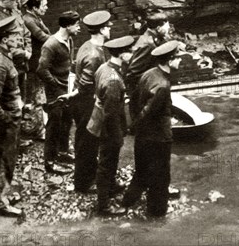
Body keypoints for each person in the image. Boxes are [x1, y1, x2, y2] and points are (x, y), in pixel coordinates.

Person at [122, 41, 181, 218]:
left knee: (141, 171)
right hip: (158, 138)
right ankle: (156, 215)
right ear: (170, 61)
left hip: (143, 136)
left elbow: (133, 101)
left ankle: (127, 201)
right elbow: (149, 111)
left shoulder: (149, 74)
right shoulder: (163, 85)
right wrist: (134, 127)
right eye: (178, 57)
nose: (180, 61)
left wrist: (134, 127)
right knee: (161, 177)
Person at [88, 35, 135, 216]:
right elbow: (111, 113)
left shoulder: (103, 67)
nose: (131, 54)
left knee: (108, 161)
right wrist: (116, 135)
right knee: (107, 163)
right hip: (109, 127)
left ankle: (110, 186)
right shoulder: (114, 79)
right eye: (129, 52)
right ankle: (104, 205)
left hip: (101, 120)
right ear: (122, 55)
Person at [71, 11, 111, 193]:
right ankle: (83, 183)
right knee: (87, 142)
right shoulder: (94, 55)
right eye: (108, 26)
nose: (110, 28)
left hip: (82, 102)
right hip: (88, 104)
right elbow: (86, 85)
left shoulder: (87, 46)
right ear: (102, 30)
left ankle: (87, 176)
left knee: (85, 141)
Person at [37, 11, 81, 174]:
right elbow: (41, 69)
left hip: (67, 87)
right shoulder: (50, 45)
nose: (79, 28)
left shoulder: (69, 39)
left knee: (66, 120)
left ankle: (62, 152)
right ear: (68, 25)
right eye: (76, 25)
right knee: (54, 125)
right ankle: (49, 162)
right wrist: (55, 84)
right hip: (55, 91)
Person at [0, 16, 23, 217]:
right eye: (15, 36)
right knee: (3, 160)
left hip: (10, 117)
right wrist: (6, 118)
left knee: (7, 159)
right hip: (4, 122)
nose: (20, 39)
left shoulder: (4, 56)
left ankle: (3, 195)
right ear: (4, 39)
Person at [125, 12, 170, 122]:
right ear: (158, 28)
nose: (169, 28)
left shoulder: (152, 38)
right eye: (167, 25)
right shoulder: (147, 44)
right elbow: (133, 71)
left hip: (146, 86)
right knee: (142, 119)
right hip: (141, 88)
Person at [0, 0, 32, 102]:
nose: (17, 2)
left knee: (21, 89)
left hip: (22, 62)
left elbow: (25, 31)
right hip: (8, 62)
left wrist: (28, 49)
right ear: (3, 0)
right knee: (8, 95)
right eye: (13, 0)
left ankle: (22, 113)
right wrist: (22, 53)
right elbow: (0, 43)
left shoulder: (14, 11)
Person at [21, 0, 50, 140]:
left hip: (40, 62)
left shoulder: (35, 18)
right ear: (34, 7)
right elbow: (42, 36)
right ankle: (36, 131)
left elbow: (47, 33)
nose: (46, 7)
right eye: (44, 5)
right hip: (34, 65)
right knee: (36, 98)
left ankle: (37, 128)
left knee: (39, 96)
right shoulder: (29, 20)